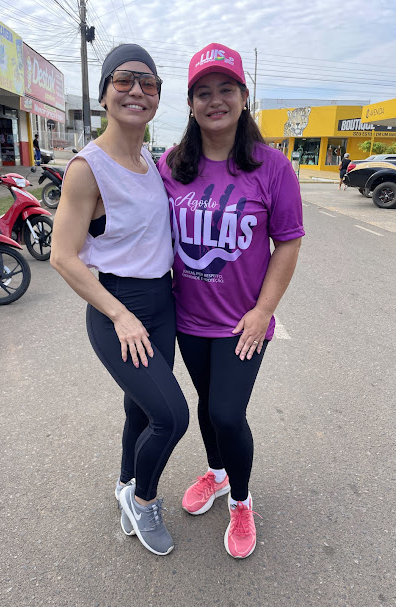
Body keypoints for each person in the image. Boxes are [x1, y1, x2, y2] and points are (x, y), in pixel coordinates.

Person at [157, 43, 304, 559]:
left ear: (244, 97)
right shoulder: (171, 165)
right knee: (206, 404)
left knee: (226, 411)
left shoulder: (272, 167)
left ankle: (241, 499)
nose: (214, 100)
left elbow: (288, 242)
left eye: (226, 89)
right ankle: (217, 474)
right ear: (190, 103)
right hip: (189, 320)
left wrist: (263, 312)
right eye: (203, 92)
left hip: (243, 324)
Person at [50, 44, 189, 557]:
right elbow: (62, 256)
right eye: (124, 80)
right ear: (105, 93)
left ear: (157, 98)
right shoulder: (88, 168)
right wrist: (120, 314)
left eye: (148, 83)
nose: (137, 91)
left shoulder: (149, 160)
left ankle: (125, 482)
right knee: (172, 417)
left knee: (142, 410)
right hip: (118, 308)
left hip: (160, 303)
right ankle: (143, 500)